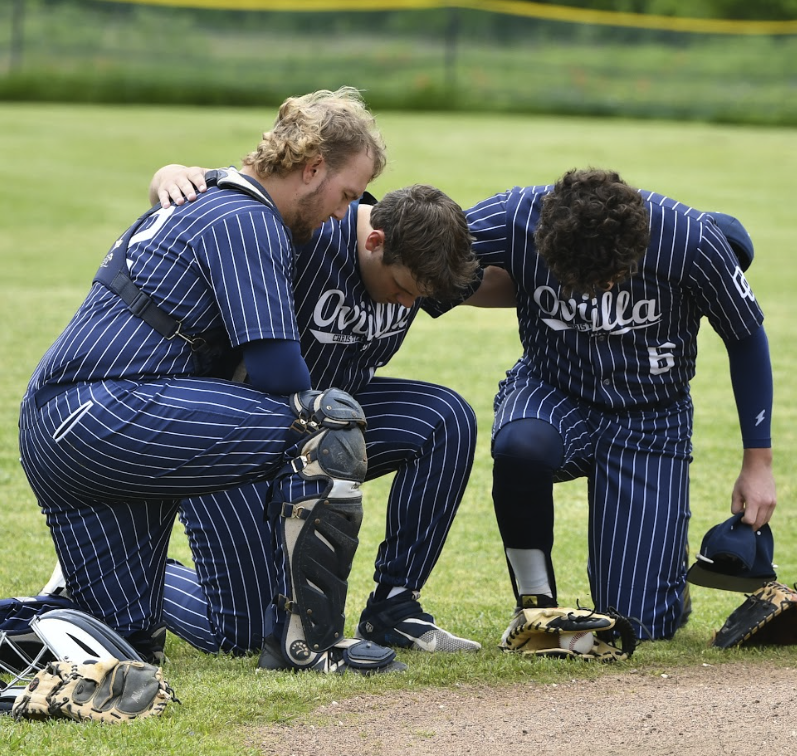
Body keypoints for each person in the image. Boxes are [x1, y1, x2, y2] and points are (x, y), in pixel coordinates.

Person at [18, 87, 419, 675]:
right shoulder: (248, 218)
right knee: (324, 421)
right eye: (347, 194)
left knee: (122, 644)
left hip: (64, 427)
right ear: (311, 169)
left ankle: (41, 614)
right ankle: (310, 645)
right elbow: (279, 376)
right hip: (112, 409)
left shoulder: (215, 197)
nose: (344, 212)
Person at [142, 164, 495, 657]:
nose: (410, 303)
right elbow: (248, 191)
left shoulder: (423, 257)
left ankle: (395, 606)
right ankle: (132, 576)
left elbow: (510, 259)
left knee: (445, 417)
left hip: (332, 429)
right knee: (245, 636)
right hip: (242, 440)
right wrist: (176, 173)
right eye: (402, 288)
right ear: (374, 242)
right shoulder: (311, 232)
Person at [439, 168, 776, 644]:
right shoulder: (516, 216)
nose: (592, 296)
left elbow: (746, 339)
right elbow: (429, 250)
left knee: (640, 626)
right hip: (553, 388)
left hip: (650, 415)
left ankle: (662, 580)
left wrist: (757, 464)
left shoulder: (692, 240)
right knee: (521, 447)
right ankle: (536, 606)